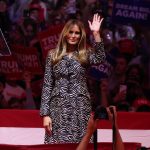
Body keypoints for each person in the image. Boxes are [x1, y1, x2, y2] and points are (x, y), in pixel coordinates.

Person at [40, 13, 105, 143]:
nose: (73, 36)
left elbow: (100, 57)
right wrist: (45, 114)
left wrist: (96, 34)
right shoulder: (53, 55)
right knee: (58, 144)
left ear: (81, 36)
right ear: (65, 33)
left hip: (80, 106)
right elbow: (47, 84)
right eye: (71, 32)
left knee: (81, 142)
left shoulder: (85, 54)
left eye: (77, 33)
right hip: (58, 107)